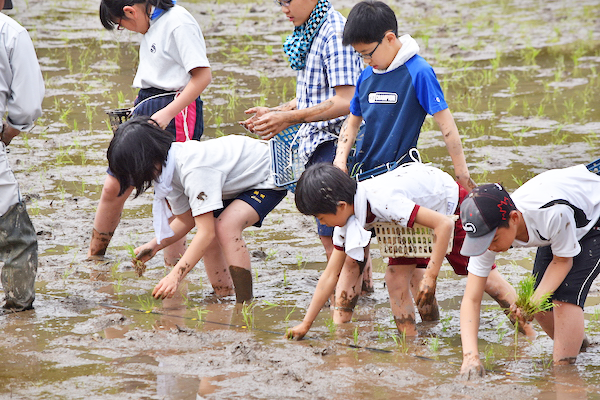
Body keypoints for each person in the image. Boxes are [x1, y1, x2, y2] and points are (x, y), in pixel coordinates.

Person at [324, 0, 476, 324]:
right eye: (360, 55)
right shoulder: (367, 77)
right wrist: (340, 161)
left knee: (408, 270)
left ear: (390, 39)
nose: (365, 60)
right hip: (365, 181)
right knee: (353, 260)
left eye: (368, 52)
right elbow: (352, 123)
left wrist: (461, 172)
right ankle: (340, 332)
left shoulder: (418, 72)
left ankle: (427, 328)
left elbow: (446, 125)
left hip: (400, 186)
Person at [285, 163, 530, 339]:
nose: (322, 223)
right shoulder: (347, 220)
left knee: (487, 280)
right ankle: (412, 343)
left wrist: (431, 278)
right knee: (395, 276)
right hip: (405, 223)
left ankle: (529, 336)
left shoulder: (383, 200)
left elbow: (443, 224)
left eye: (320, 217)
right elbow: (330, 275)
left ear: (340, 206)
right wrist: (305, 325)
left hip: (447, 207)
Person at [240, 0, 367, 311]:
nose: (284, 7)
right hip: (317, 139)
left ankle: (350, 300)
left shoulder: (334, 32)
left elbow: (346, 100)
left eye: (289, 0)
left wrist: (289, 120)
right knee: (336, 229)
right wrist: (277, 111)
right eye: (279, 1)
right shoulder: (311, 29)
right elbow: (314, 92)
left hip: (336, 141)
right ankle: (358, 294)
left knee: (333, 230)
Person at [108, 117, 287, 303]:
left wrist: (175, 276)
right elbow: (186, 220)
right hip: (236, 181)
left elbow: (206, 232)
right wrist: (154, 245)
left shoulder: (192, 169)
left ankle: (244, 303)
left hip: (269, 172)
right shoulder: (168, 174)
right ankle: (223, 294)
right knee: (211, 235)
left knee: (225, 227)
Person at [88, 0, 212, 265]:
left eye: (122, 24)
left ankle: (173, 275)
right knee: (114, 184)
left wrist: (166, 113)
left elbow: (202, 77)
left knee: (171, 193)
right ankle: (94, 259)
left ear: (131, 11)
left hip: (175, 111)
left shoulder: (178, 22)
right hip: (148, 104)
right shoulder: (151, 22)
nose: (126, 30)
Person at [459, 166, 600, 378]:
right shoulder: (487, 234)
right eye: (481, 243)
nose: (489, 248)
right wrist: (470, 356)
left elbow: (562, 262)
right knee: (540, 306)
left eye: (494, 240)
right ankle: (580, 347)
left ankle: (566, 370)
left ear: (514, 218)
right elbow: (471, 298)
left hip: (592, 215)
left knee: (565, 299)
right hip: (561, 225)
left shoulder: (551, 214)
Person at [0, 0, 45, 312]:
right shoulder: (9, 33)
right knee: (16, 239)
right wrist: (11, 131)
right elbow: (28, 105)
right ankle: (17, 313)